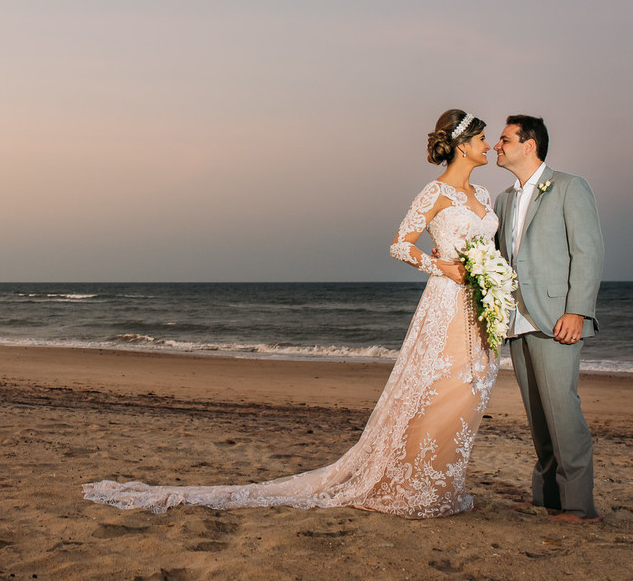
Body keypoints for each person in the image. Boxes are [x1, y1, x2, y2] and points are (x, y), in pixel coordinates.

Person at [83, 109, 499, 518]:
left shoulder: (482, 196)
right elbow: (399, 244)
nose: (488, 145)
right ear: (462, 146)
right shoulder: (435, 193)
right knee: (433, 391)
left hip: (478, 304)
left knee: (464, 393)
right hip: (445, 302)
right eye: (482, 139)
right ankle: (411, 486)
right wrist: (440, 265)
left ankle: (444, 483)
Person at [493, 115, 603, 524]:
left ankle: (579, 506)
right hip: (516, 321)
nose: (495, 147)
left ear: (529, 144)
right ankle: (548, 498)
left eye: (504, 140)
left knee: (563, 411)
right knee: (538, 416)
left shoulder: (570, 187)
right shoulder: (502, 200)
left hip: (557, 317)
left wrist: (578, 309)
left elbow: (588, 252)